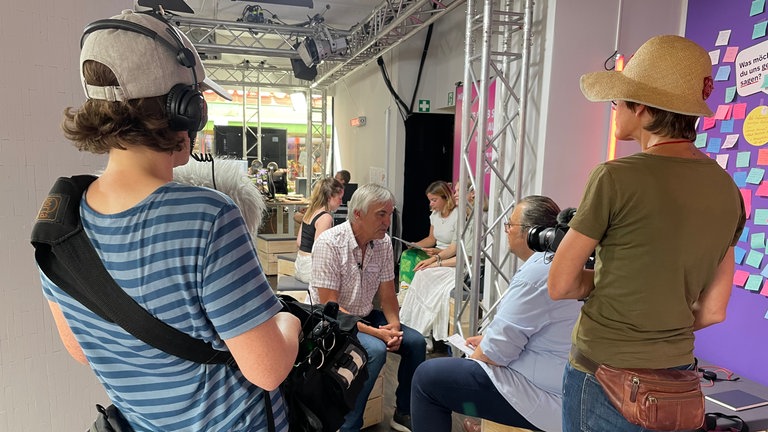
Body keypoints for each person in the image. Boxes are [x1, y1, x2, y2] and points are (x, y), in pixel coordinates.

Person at [40, 9, 301, 431]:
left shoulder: (58, 226)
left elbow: (81, 349)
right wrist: (289, 320)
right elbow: (267, 370)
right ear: (184, 111)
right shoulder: (209, 217)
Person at [548, 35, 746, 432]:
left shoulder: (614, 177)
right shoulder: (728, 190)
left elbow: (561, 283)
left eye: (617, 101)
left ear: (640, 107)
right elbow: (713, 310)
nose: (614, 110)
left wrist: (611, 282)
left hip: (604, 374)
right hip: (677, 382)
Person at [411, 196, 582, 432]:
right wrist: (488, 341)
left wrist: (479, 353)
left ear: (532, 233)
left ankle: (473, 416)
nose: (507, 231)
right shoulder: (569, 264)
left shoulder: (536, 273)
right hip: (559, 381)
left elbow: (495, 353)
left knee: (427, 378)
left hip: (544, 394)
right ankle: (475, 420)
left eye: (510, 225)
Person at [309, 183, 426, 432]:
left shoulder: (382, 243)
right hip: (332, 322)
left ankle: (403, 412)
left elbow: (388, 295)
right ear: (358, 214)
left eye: (390, 214)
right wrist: (378, 334)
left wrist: (393, 327)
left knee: (416, 342)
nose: (387, 222)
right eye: (381, 214)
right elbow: (330, 309)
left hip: (364, 314)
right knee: (374, 349)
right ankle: (348, 425)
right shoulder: (329, 243)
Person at [399, 183, 483, 348]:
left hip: (464, 268)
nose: (455, 194)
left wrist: (436, 261)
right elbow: (453, 247)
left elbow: (465, 257)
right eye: (455, 191)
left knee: (426, 275)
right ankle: (415, 325)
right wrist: (434, 259)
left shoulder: (470, 219)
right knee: (420, 270)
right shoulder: (464, 218)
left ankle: (423, 330)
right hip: (450, 259)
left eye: (458, 191)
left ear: (472, 194)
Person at [398, 180, 459, 292]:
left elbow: (455, 248)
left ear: (446, 197)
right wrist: (416, 244)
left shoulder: (457, 215)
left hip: (450, 255)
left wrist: (438, 252)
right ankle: (405, 290)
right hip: (435, 252)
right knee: (408, 254)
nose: (431, 204)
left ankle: (413, 291)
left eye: (434, 200)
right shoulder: (435, 215)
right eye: (430, 200)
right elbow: (431, 239)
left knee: (420, 265)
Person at [294, 176, 344, 283]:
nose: (341, 202)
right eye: (339, 198)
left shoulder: (310, 211)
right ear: (329, 197)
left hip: (299, 266)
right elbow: (320, 250)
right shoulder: (325, 217)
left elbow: (299, 242)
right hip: (310, 270)